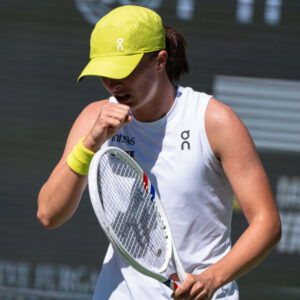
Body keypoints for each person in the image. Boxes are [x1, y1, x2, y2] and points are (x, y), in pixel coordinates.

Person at [37, 5, 281, 300]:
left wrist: (212, 278)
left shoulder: (214, 120)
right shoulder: (94, 118)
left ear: (160, 61)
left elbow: (266, 223)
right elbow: (49, 214)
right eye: (105, 73)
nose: (114, 83)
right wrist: (89, 143)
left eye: (123, 70)